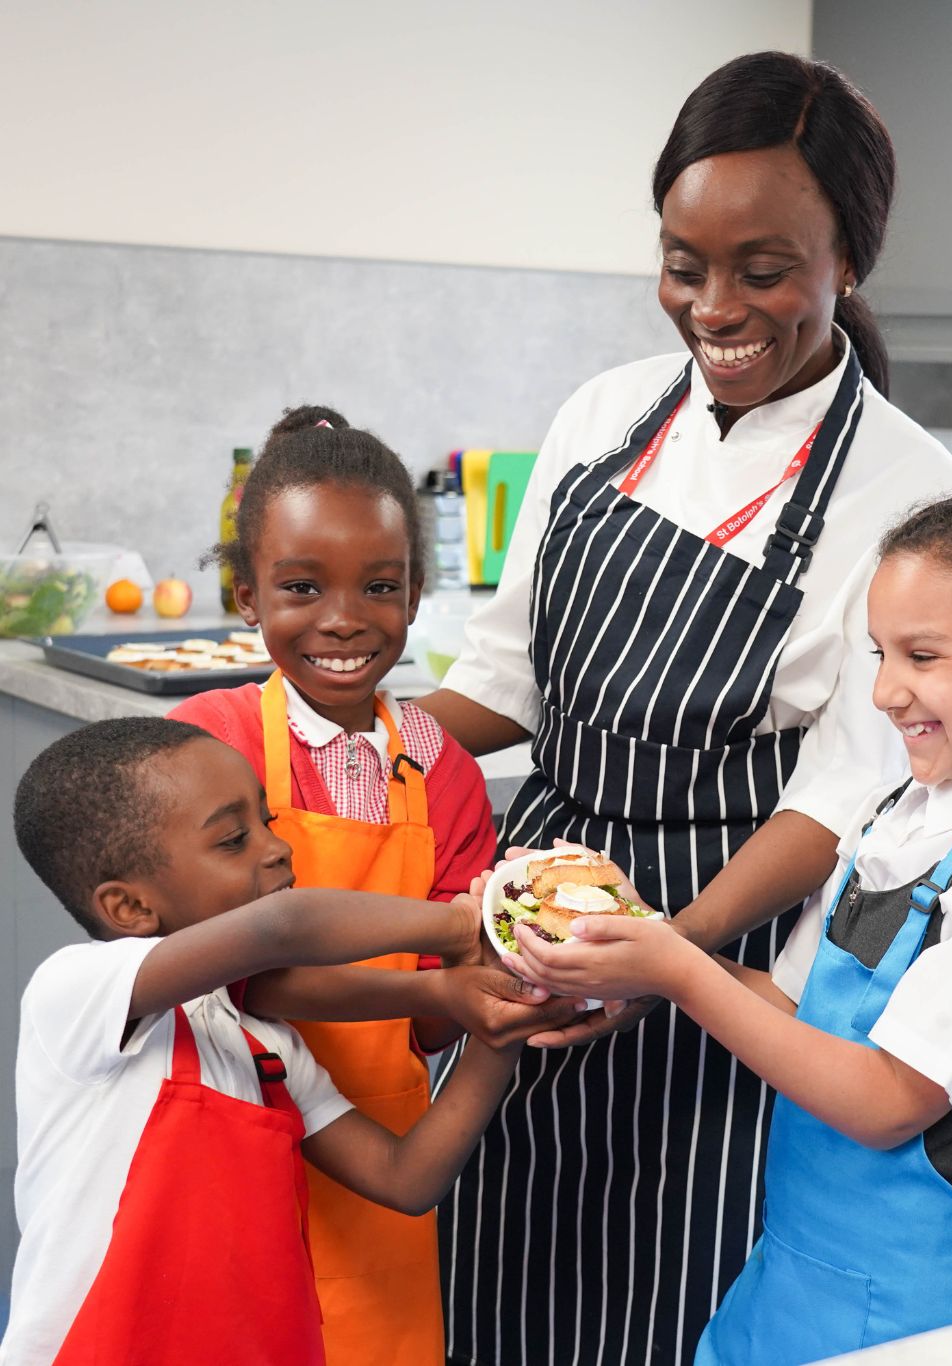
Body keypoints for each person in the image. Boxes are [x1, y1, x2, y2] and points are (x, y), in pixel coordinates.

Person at [420, 49, 952, 1366]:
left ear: (850, 261)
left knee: (670, 1295)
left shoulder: (905, 489)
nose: (713, 305)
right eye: (684, 263)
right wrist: (321, 751)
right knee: (494, 1260)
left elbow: (835, 796)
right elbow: (507, 678)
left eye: (763, 269)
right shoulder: (607, 413)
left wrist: (664, 952)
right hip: (542, 915)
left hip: (732, 953)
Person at [507, 488, 952, 1363]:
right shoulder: (895, 814)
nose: (882, 691)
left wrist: (679, 971)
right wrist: (643, 943)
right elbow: (793, 1009)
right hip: (798, 1270)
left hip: (930, 1304)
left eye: (922, 656)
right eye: (879, 655)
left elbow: (882, 1103)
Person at [167, 405, 576, 1366]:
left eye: (380, 587)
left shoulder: (447, 774)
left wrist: (511, 982)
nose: (345, 620)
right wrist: (435, 976)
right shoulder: (205, 745)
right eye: (301, 587)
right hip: (216, 1128)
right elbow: (222, 973)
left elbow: (435, 1025)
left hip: (377, 1144)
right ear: (245, 595)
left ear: (417, 593)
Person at [1, 717, 533, 1366]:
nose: (277, 849)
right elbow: (282, 928)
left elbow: (406, 1178)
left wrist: (501, 1026)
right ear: (129, 909)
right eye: (232, 840)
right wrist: (464, 926)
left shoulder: (264, 1045)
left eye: (268, 821)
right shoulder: (78, 992)